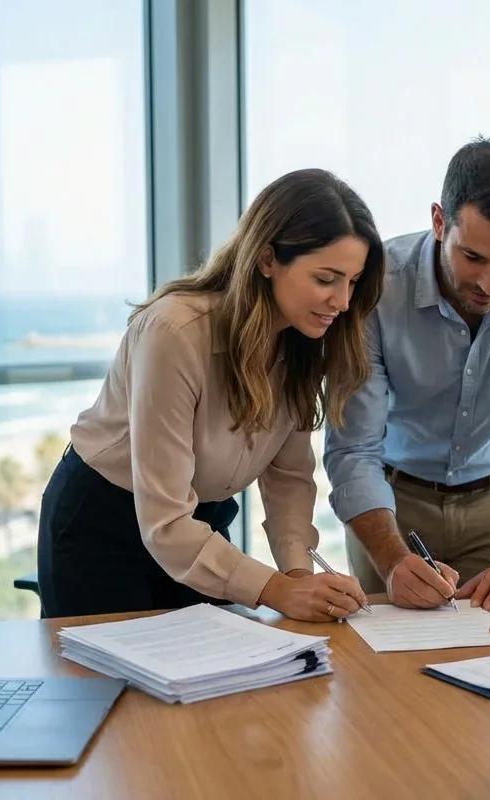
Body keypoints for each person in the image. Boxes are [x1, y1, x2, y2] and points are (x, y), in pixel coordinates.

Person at [37, 168, 383, 622]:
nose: (341, 301)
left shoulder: (305, 339)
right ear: (265, 260)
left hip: (197, 527)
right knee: (116, 691)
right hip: (103, 527)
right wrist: (275, 590)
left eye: (353, 282)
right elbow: (163, 520)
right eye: (326, 279)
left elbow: (289, 478)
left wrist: (298, 575)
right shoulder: (173, 332)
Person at [323, 137, 490, 612]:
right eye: (473, 257)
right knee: (384, 675)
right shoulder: (376, 286)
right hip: (391, 504)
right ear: (438, 221)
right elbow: (353, 447)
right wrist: (391, 561)